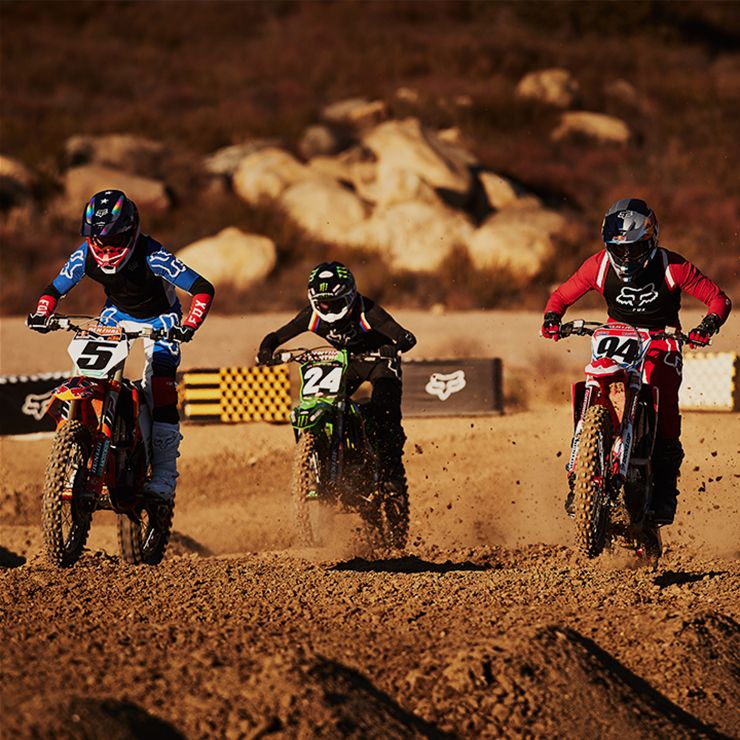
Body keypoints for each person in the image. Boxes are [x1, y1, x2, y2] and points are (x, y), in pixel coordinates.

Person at [540, 197, 731, 525]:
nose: (627, 257)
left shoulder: (672, 266)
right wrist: (552, 317)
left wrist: (706, 326)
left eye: (635, 249)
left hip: (662, 339)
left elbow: (718, 299)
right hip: (616, 335)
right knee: (594, 383)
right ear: (608, 244)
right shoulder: (598, 265)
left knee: (665, 398)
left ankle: (665, 491)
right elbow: (561, 296)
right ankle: (579, 478)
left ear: (651, 241)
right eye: (620, 249)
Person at [27, 189, 215, 502]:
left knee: (161, 388)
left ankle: (165, 475)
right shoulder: (85, 255)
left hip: (161, 319)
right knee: (88, 374)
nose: (105, 248)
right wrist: (42, 312)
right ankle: (81, 451)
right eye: (99, 239)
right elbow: (54, 288)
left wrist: (189, 325)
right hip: (115, 316)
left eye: (113, 239)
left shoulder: (153, 254)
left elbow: (203, 289)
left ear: (130, 231)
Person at [258, 261, 416, 491]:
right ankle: (330, 454)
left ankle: (392, 473)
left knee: (385, 411)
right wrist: (265, 351)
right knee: (326, 401)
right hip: (346, 361)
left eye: (336, 303)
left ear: (350, 296)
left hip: (379, 361)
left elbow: (407, 337)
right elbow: (276, 336)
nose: (329, 309)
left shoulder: (368, 311)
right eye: (324, 304)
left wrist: (394, 348)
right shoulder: (312, 316)